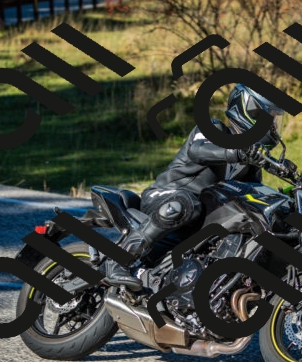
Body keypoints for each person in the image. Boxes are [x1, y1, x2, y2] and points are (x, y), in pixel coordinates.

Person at [105, 84, 286, 289]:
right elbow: (198, 151)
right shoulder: (214, 129)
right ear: (249, 112)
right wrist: (237, 151)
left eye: (275, 119)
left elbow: (251, 196)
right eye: (269, 117)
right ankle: (118, 261)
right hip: (164, 198)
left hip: (194, 221)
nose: (273, 125)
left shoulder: (249, 164)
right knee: (186, 203)